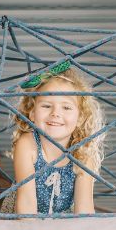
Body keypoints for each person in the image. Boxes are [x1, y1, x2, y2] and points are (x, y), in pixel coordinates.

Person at [11, 62, 104, 215]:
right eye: (46, 106)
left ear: (80, 117)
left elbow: (84, 209)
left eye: (66, 107)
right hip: (24, 222)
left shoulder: (83, 155)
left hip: (61, 224)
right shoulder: (28, 145)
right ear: (32, 113)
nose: (55, 113)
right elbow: (26, 202)